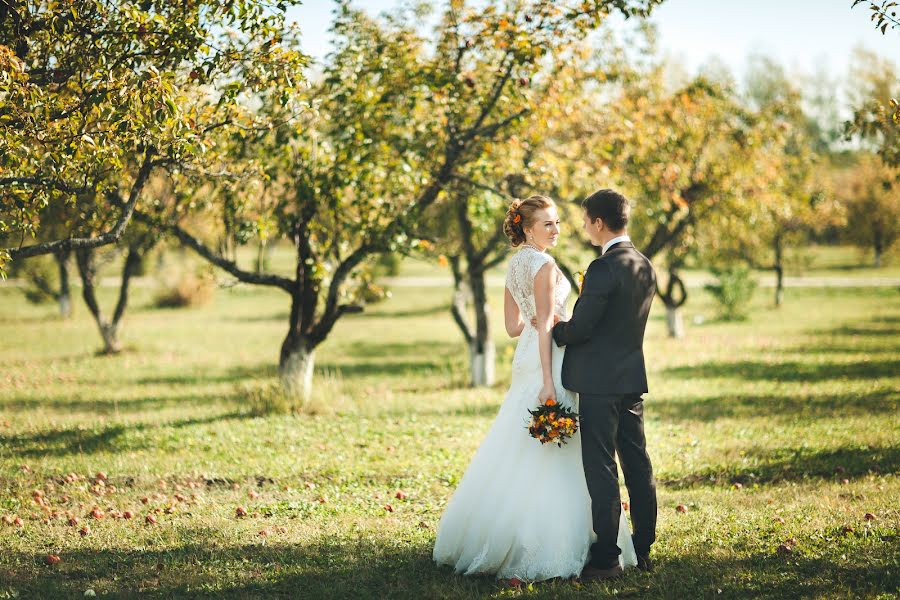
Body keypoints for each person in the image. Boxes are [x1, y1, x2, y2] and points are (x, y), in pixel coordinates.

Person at [432, 194, 637, 582]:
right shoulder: (543, 263)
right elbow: (545, 325)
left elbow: (514, 327)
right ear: (527, 228)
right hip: (549, 361)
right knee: (558, 445)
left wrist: (544, 321)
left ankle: (494, 533)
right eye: (547, 224)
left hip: (526, 356)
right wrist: (548, 380)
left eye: (558, 222)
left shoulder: (515, 264)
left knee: (519, 439)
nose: (556, 230)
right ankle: (555, 543)